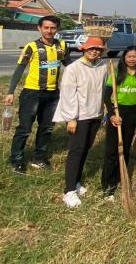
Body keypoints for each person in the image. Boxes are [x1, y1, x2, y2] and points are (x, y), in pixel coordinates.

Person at [5, 15, 71, 174]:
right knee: (25, 129)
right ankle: (16, 160)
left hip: (53, 95)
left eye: (53, 28)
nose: (49, 31)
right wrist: (10, 92)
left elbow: (69, 65)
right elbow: (19, 69)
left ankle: (39, 159)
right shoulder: (31, 47)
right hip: (32, 93)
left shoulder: (61, 45)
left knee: (47, 128)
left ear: (57, 29)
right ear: (39, 28)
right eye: (46, 27)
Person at [53, 36, 107, 208]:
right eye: (91, 48)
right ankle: (68, 191)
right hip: (79, 117)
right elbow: (68, 95)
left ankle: (76, 182)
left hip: (95, 115)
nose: (94, 51)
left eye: (98, 49)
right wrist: (71, 118)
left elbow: (103, 90)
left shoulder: (102, 66)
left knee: (85, 149)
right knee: (76, 151)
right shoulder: (73, 68)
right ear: (84, 49)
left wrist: (102, 111)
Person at [101, 45, 136, 198]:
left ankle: (121, 177)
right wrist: (112, 115)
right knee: (112, 150)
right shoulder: (116, 74)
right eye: (129, 56)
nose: (132, 59)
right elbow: (107, 97)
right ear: (124, 58)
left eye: (135, 56)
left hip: (133, 113)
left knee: (126, 146)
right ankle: (108, 184)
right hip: (117, 112)